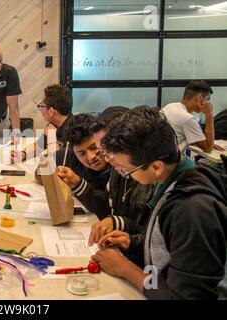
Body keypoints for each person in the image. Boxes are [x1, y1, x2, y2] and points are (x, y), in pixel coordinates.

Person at [91, 106, 227, 299]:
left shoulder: (191, 209)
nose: (124, 175)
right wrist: (134, 243)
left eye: (126, 170)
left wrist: (126, 269)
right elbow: (169, 253)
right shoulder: (174, 180)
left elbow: (182, 296)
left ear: (156, 167)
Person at [59, 107, 154, 267]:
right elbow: (112, 207)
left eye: (98, 149)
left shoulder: (149, 177)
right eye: (105, 150)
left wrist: (126, 268)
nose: (95, 157)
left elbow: (152, 236)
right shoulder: (119, 169)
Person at [10, 84, 72, 163]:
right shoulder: (54, 124)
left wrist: (51, 136)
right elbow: (38, 146)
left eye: (41, 106)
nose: (40, 110)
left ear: (51, 111)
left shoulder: (74, 132)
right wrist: (22, 154)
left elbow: (55, 164)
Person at [161, 80, 224, 153]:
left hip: (157, 155)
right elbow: (208, 148)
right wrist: (209, 115)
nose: (209, 103)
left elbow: (182, 136)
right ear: (199, 97)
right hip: (169, 160)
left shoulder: (170, 106)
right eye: (207, 100)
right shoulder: (188, 119)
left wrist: (204, 142)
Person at [57, 113, 111, 191]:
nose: (91, 156)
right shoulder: (69, 154)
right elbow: (41, 170)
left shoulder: (120, 166)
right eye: (82, 153)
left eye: (94, 147)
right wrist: (56, 178)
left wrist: (78, 185)